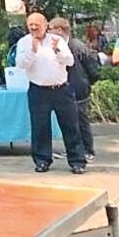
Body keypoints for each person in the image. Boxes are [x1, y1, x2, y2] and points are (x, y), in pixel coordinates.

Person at [15, 12, 86, 174]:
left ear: (46, 25)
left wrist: (57, 51)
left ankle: (77, 161)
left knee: (71, 126)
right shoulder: (24, 42)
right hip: (38, 91)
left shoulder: (57, 40)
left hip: (61, 89)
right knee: (40, 127)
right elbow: (21, 64)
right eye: (30, 25)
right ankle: (42, 160)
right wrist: (32, 51)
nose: (34, 28)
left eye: (37, 25)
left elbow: (70, 61)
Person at [48, 17, 100, 161]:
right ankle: (74, 149)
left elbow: (92, 67)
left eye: (50, 28)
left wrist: (87, 82)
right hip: (66, 87)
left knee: (81, 120)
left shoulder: (76, 46)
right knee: (70, 121)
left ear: (59, 30)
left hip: (78, 87)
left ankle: (88, 150)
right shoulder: (57, 46)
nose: (49, 32)